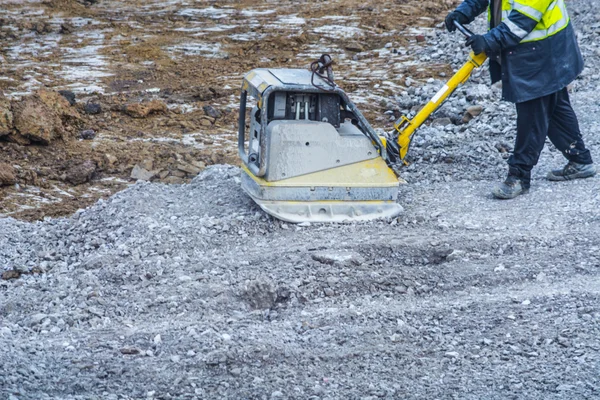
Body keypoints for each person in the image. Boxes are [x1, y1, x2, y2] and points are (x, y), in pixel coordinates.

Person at [445, 0, 596, 199]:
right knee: (554, 105)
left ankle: (519, 175)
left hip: (544, 50)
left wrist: (489, 40)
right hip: (533, 48)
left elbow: (520, 22)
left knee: (531, 113)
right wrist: (464, 12)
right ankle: (580, 160)